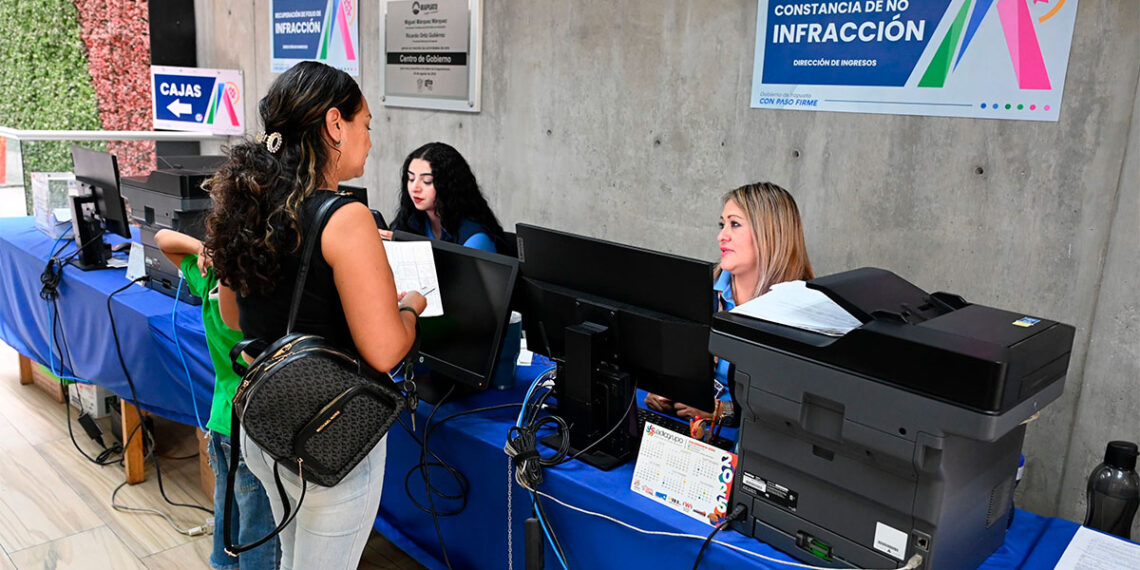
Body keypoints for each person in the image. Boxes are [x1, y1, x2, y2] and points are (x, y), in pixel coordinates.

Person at [203, 60, 426, 570]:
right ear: (334, 125)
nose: (370, 140)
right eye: (365, 124)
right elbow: (385, 350)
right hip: (330, 431)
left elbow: (233, 315)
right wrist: (409, 307)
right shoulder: (346, 218)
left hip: (264, 425)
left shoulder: (248, 204)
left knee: (291, 557)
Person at [154, 229, 279, 570]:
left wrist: (204, 249)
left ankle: (223, 564)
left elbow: (163, 238)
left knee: (228, 510)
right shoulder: (263, 307)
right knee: (259, 526)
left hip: (223, 421)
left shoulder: (211, 281)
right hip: (256, 429)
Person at [645, 182, 814, 422]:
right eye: (722, 225)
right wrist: (664, 388)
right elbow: (675, 365)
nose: (721, 236)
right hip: (685, 421)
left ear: (770, 233)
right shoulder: (700, 292)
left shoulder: (802, 313)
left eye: (734, 224)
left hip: (748, 433)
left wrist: (722, 411)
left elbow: (786, 410)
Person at [389, 141, 507, 253]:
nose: (415, 188)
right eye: (411, 179)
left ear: (448, 185)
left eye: (427, 181)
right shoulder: (410, 220)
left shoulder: (475, 238)